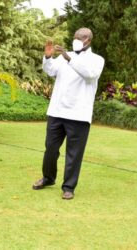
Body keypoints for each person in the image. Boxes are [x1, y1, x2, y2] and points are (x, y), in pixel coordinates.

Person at [32, 28, 105, 200]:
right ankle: (48, 178)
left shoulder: (96, 60)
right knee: (50, 148)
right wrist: (48, 57)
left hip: (79, 115)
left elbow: (90, 75)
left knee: (74, 153)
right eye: (75, 37)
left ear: (88, 40)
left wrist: (69, 58)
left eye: (80, 38)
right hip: (57, 111)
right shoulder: (64, 56)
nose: (76, 40)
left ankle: (68, 187)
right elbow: (50, 71)